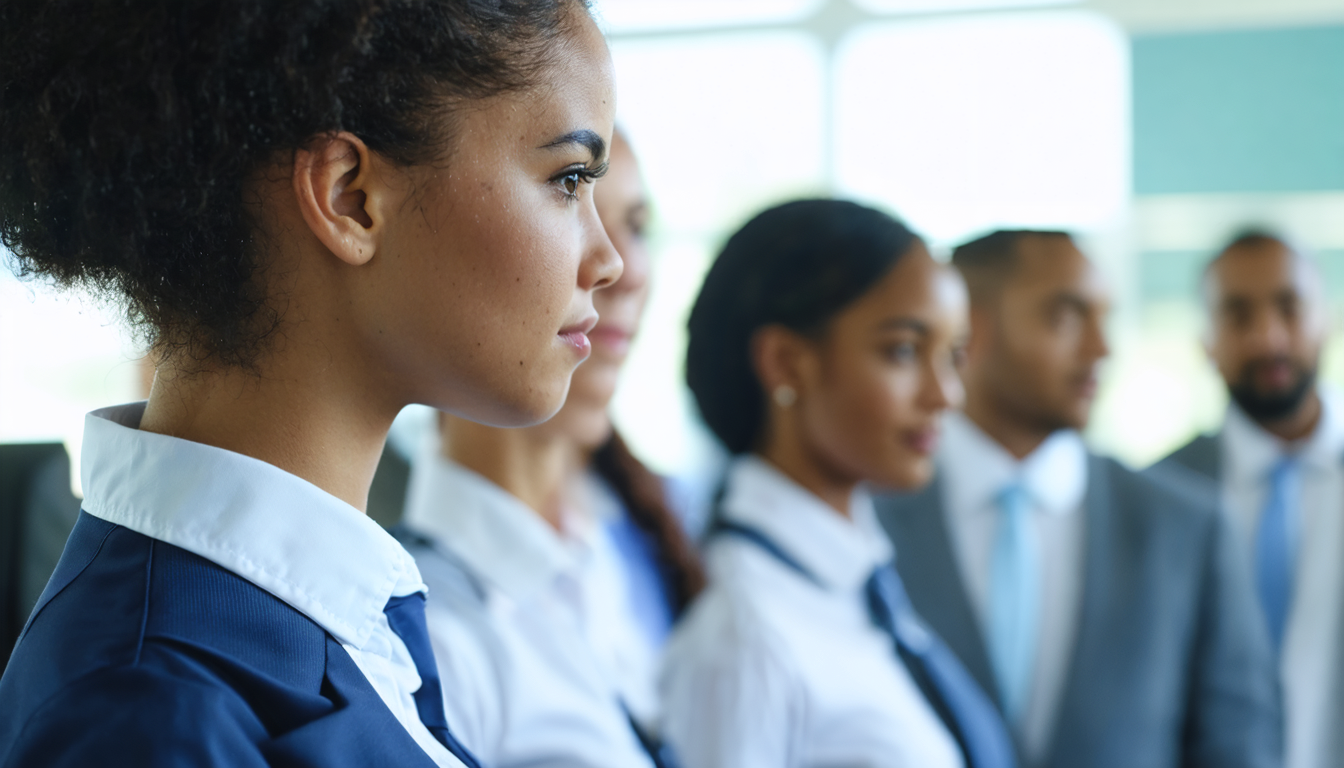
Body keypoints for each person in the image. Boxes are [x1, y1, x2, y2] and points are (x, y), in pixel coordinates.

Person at [0, 1, 621, 766]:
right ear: (349, 198)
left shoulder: (331, 616)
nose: (609, 260)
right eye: (568, 179)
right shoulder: (148, 721)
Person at [876, 230, 1281, 768]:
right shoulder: (868, 514)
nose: (1101, 349)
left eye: (1104, 318)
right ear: (969, 328)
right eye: (1065, 317)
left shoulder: (1186, 527)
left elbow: (1240, 749)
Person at [660, 199, 1016, 768]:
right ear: (786, 363)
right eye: (903, 351)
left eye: (952, 356)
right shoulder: (745, 638)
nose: (946, 394)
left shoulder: (862, 584)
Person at [394, 129, 701, 768]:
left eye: (636, 225)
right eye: (567, 195)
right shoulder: (428, 634)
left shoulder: (653, 539)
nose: (623, 268)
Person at [1156, 231, 1343, 768]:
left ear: (1326, 320)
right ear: (1207, 340)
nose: (1268, 338)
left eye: (1290, 308)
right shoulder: (1160, 496)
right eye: (1238, 315)